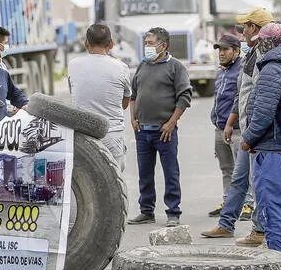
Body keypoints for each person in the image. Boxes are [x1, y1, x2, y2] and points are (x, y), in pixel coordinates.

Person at [203, 9, 274, 245]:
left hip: (257, 133)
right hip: (246, 129)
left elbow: (262, 99)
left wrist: (252, 132)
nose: (241, 31)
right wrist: (232, 122)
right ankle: (226, 224)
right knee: (238, 178)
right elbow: (241, 95)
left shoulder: (265, 57)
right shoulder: (253, 55)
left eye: (245, 27)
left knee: (258, 182)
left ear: (254, 29)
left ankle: (259, 230)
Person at [241, 22, 281, 259]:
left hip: (272, 149)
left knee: (273, 207)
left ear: (267, 43)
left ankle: (276, 262)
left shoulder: (272, 70)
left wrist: (247, 139)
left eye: (260, 42)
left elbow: (263, 113)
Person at [128, 27, 192, 227]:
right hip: (142, 130)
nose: (146, 47)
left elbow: (184, 97)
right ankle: (146, 211)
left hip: (165, 132)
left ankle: (173, 212)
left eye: (150, 43)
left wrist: (171, 123)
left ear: (163, 46)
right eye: (145, 43)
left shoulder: (175, 67)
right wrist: (133, 118)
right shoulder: (142, 66)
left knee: (170, 172)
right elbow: (133, 95)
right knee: (144, 173)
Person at [68, 24, 131, 170]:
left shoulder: (73, 65)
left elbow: (74, 92)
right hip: (112, 134)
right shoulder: (122, 68)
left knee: (86, 181)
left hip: (83, 134)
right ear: (111, 44)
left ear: (86, 43)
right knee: (115, 183)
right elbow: (125, 102)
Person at [207, 34, 243, 216]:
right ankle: (228, 202)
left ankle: (247, 204)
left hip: (236, 130)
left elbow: (239, 100)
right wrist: (215, 118)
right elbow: (218, 99)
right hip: (220, 128)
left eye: (225, 49)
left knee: (242, 170)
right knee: (226, 169)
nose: (221, 53)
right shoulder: (221, 71)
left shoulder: (242, 70)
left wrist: (230, 123)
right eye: (219, 50)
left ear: (236, 51)